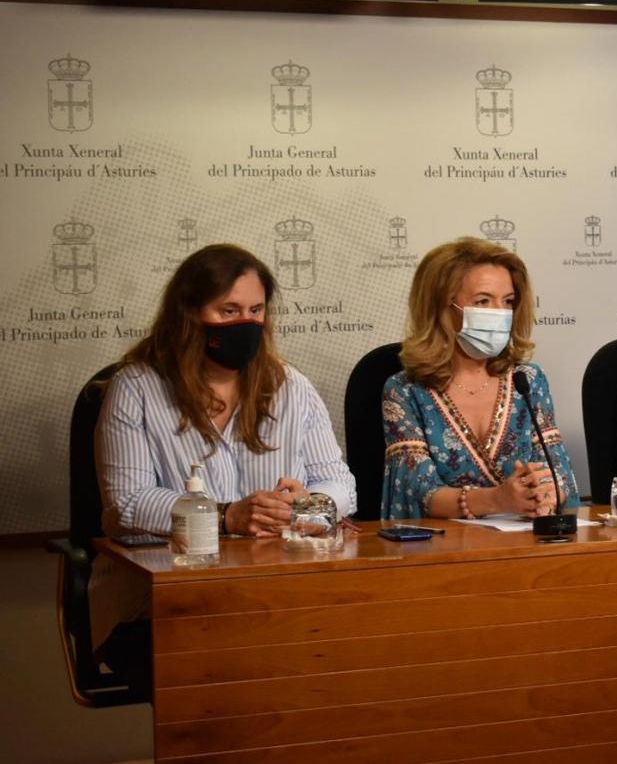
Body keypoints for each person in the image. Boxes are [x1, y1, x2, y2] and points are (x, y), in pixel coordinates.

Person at [92, 243, 356, 689]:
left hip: (280, 591)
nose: (245, 324)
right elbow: (125, 506)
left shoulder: (291, 385)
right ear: (189, 314)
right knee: (243, 663)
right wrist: (227, 515)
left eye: (256, 311)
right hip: (170, 599)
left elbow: (342, 484)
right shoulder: (135, 388)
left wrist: (307, 510)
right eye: (228, 310)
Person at [382, 237, 579, 520]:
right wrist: (495, 500)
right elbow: (416, 492)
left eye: (508, 301)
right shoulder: (405, 390)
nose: (500, 313)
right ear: (441, 307)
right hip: (444, 553)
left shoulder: (528, 380)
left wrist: (546, 492)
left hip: (527, 547)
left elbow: (558, 472)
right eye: (483, 301)